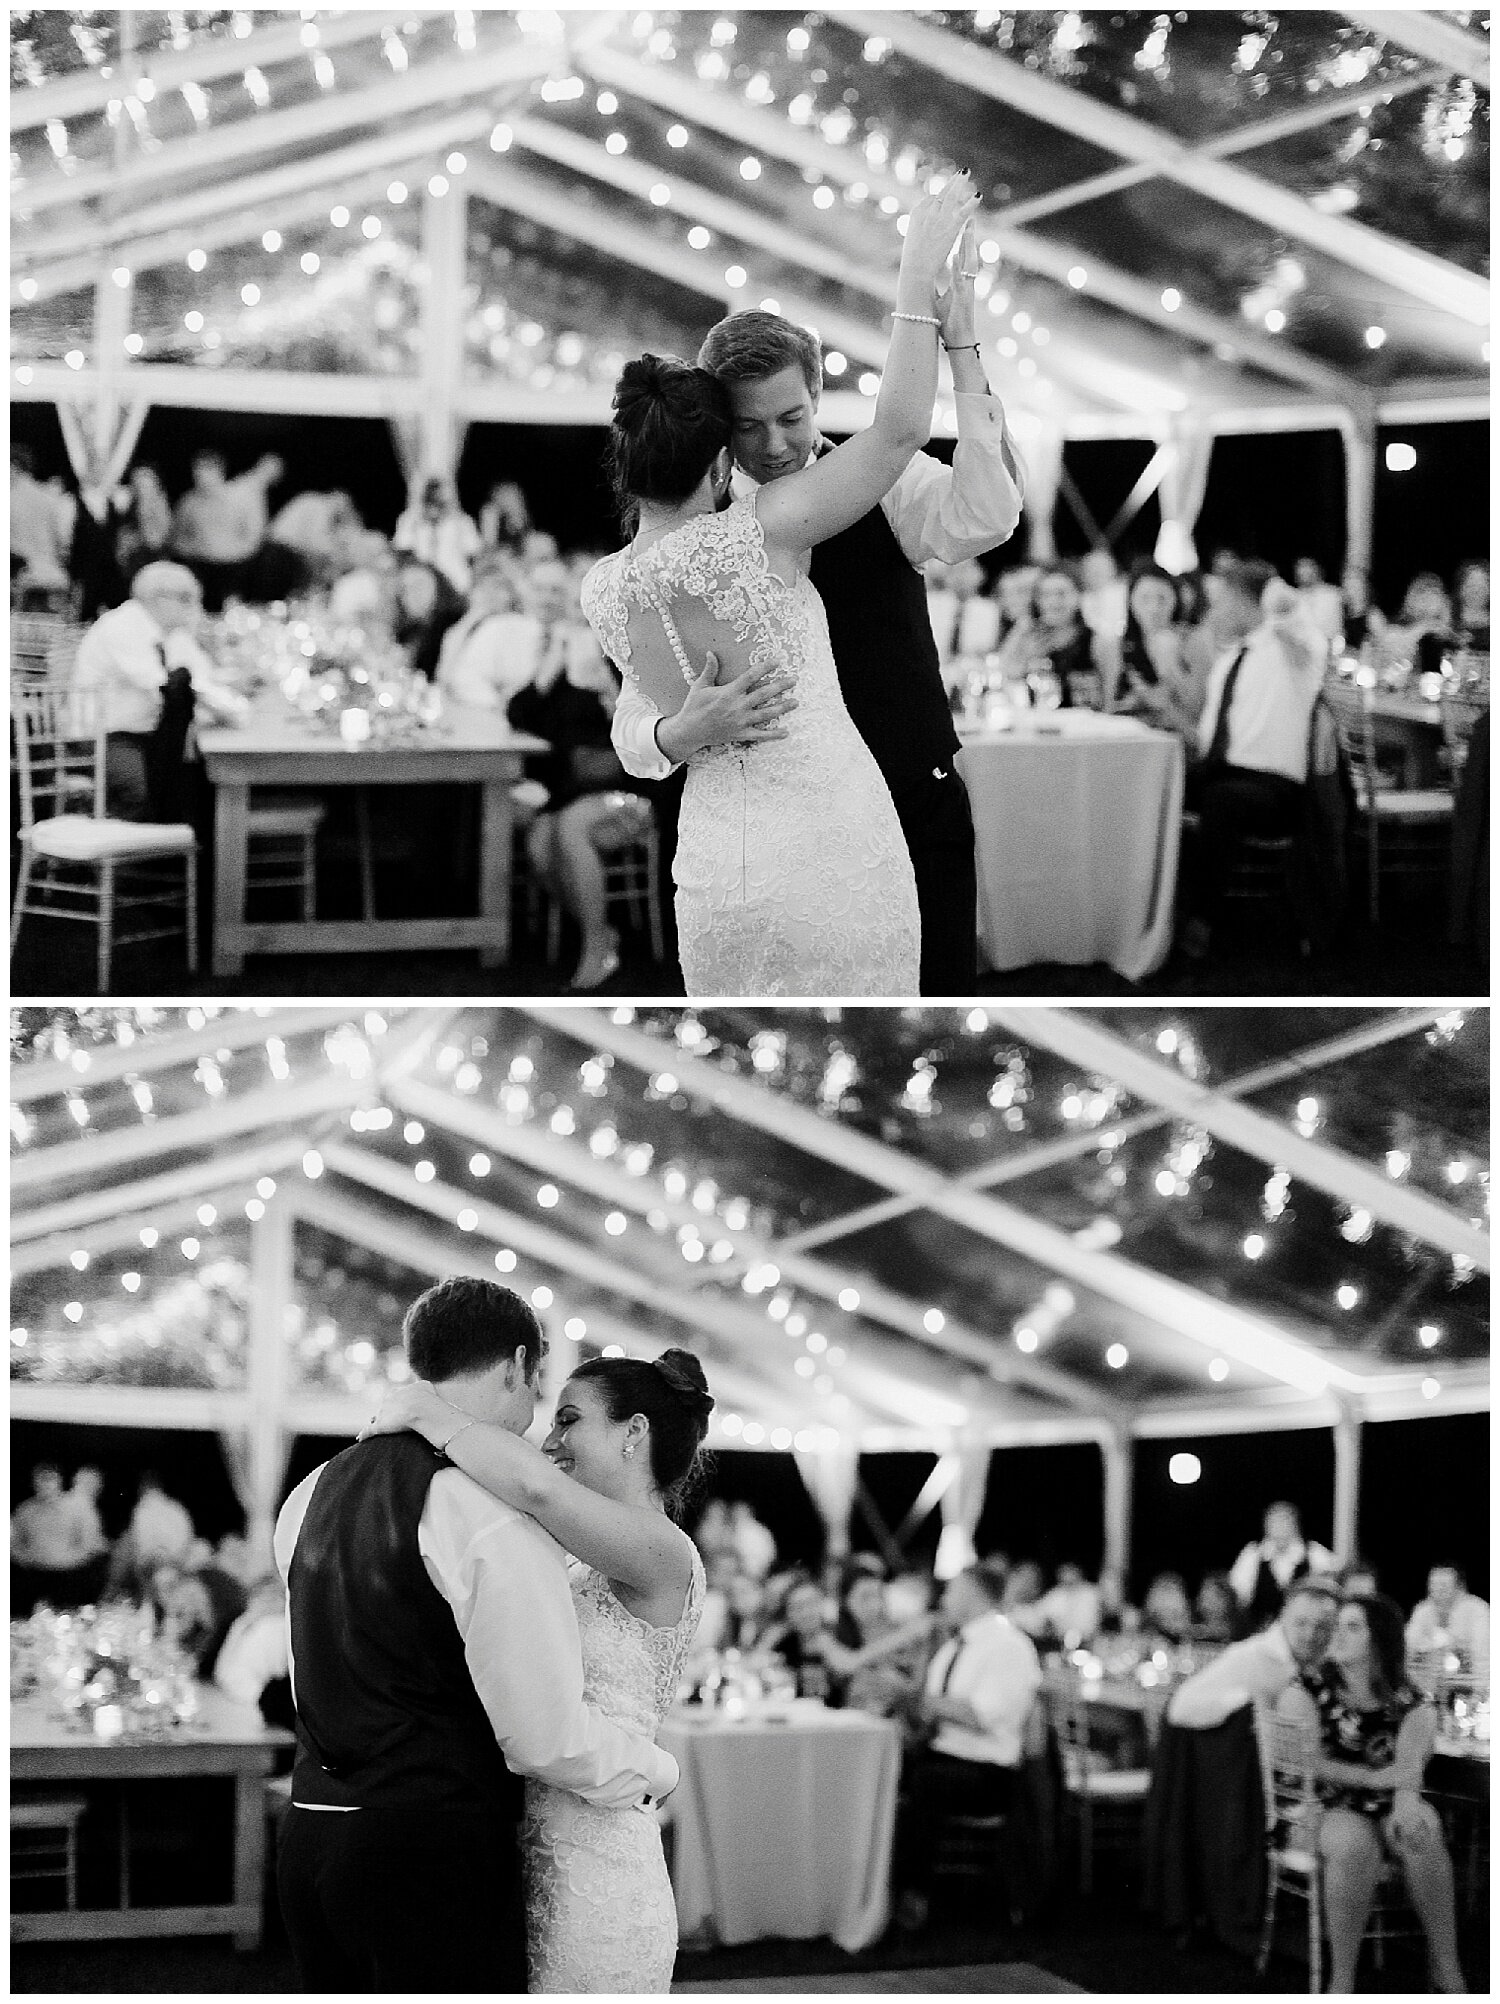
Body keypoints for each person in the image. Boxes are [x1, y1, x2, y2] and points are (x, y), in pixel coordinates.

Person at [609, 177, 1024, 997]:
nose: (772, 447)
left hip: (911, 797)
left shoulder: (877, 482)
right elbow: (636, 708)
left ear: (818, 395)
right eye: (747, 427)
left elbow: (986, 515)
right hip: (781, 844)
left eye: (791, 419)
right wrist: (674, 732)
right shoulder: (696, 532)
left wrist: (966, 354)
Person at [276, 1278, 682, 1995]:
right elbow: (542, 1738)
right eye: (539, 1393)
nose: (538, 1424)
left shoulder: (310, 1492)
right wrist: (656, 1771)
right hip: (426, 1856)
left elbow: (317, 1674)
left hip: (308, 1840)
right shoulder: (485, 1514)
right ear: (515, 1365)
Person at [1278, 1593, 1466, 1994]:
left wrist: (1405, 1804)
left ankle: (1447, 1969)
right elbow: (1304, 1763)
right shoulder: (1309, 1688)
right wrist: (1373, 1779)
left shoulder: (1410, 1699)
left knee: (1421, 1830)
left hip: (1388, 1798)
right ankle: (1341, 1980)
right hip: (1322, 1803)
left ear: (1379, 1638)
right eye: (1337, 1626)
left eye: (1352, 1627)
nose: (1337, 1635)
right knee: (1351, 1846)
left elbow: (1409, 1767)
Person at [1144, 1580, 1338, 1957]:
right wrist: (1247, 1710)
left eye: (1322, 1627)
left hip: (1262, 1780)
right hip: (1234, 1788)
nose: (1312, 1635)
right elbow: (1181, 1707)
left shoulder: (1319, 1663)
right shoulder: (1256, 1657)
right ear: (1283, 1619)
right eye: (1301, 1623)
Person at [1181, 572, 1330, 957]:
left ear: (1250, 602)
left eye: (1222, 599)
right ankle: (1160, 909)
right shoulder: (1231, 658)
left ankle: (1204, 920)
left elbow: (1291, 611)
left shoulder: (1293, 649)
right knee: (1161, 786)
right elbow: (1208, 736)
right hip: (1223, 772)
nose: (1212, 610)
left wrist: (1274, 595)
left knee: (1223, 800)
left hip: (1275, 787)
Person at [892, 1558, 1042, 1932]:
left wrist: (915, 1699)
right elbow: (933, 1710)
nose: (943, 1597)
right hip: (944, 1753)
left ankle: (915, 1894)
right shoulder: (952, 1646)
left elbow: (981, 1715)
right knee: (885, 1769)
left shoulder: (1009, 1645)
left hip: (989, 1770)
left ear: (975, 1595)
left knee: (928, 1782)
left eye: (952, 1590)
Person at [506, 619, 650, 991]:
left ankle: (594, 947)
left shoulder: (620, 672)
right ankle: (601, 930)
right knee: (538, 841)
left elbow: (641, 740)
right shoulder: (558, 688)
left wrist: (611, 690)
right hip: (571, 795)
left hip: (624, 793)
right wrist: (545, 674)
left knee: (569, 828)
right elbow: (517, 714)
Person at [71, 562, 248, 820]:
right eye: (188, 600)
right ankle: (135, 854)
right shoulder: (122, 626)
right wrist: (235, 708)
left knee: (192, 782)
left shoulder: (170, 631)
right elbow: (166, 688)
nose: (196, 609)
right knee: (153, 793)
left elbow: (202, 676)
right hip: (102, 738)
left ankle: (188, 850)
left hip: (144, 736)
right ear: (159, 598)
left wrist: (228, 695)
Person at [169, 449, 282, 610]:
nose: (201, 476)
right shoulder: (188, 502)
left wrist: (240, 558)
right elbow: (178, 538)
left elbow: (253, 536)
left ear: (219, 471)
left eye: (207, 469)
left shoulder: (238, 498)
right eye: (197, 470)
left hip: (235, 569)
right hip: (201, 570)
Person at [1102, 562, 1200, 734]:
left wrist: (1170, 671)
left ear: (1176, 600)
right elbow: (1108, 708)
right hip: (1128, 737)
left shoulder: (1192, 641)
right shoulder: (1117, 646)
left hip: (1177, 737)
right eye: (1144, 598)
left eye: (1162, 599)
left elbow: (1199, 710)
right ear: (1131, 602)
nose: (1153, 608)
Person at [993, 562, 1105, 708]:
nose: (1053, 602)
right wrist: (1022, 626)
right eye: (1045, 595)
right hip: (1040, 722)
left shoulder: (1097, 641)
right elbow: (1001, 676)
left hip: (1086, 724)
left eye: (1061, 594)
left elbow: (1109, 701)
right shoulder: (1031, 638)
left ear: (1078, 596)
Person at [1227, 1499, 1338, 1638]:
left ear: (1295, 1524)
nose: (1279, 1527)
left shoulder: (1315, 1554)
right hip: (1260, 1635)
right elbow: (1238, 1597)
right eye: (1274, 1522)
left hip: (1305, 1636)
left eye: (1284, 1521)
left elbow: (1329, 1594)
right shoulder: (1253, 1555)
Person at [10, 1463, 98, 1614]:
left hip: (69, 1576)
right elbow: (13, 1542)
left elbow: (88, 1543)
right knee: (29, 1623)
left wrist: (70, 1560)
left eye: (50, 1480)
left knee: (68, 1621)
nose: (46, 1485)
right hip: (34, 1576)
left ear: (59, 1482)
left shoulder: (76, 1509)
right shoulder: (25, 1510)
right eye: (41, 1481)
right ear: (34, 1483)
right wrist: (24, 1559)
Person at [214, 1572, 294, 1729]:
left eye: (273, 1597)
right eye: (261, 1597)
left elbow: (270, 1680)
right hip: (247, 1704)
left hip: (264, 1709)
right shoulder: (246, 1624)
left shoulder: (275, 1628)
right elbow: (223, 1673)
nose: (266, 1603)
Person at [393, 473, 482, 597]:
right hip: (423, 585)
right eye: (430, 499)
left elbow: (473, 554)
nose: (435, 505)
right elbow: (402, 551)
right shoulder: (409, 521)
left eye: (439, 499)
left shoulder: (462, 522)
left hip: (457, 584)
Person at [1405, 1564, 1489, 1672]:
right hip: (1429, 1677)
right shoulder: (1423, 1609)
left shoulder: (1478, 1609)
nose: (1438, 1590)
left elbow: (1482, 1652)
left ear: (1460, 1588)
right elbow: (1409, 1645)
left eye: (1443, 1585)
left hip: (1470, 1677)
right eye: (1433, 1585)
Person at [1034, 1559, 1102, 1647]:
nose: (1067, 1575)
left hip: (1089, 1643)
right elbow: (1038, 1615)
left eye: (1070, 1571)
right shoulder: (1055, 1595)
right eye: (1064, 1571)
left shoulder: (1092, 1593)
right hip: (1060, 1644)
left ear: (1078, 1572)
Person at [1191, 1571, 1237, 1646]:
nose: (1206, 1605)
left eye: (1213, 1599)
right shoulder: (1194, 1633)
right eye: (1204, 1598)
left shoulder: (1238, 1635)